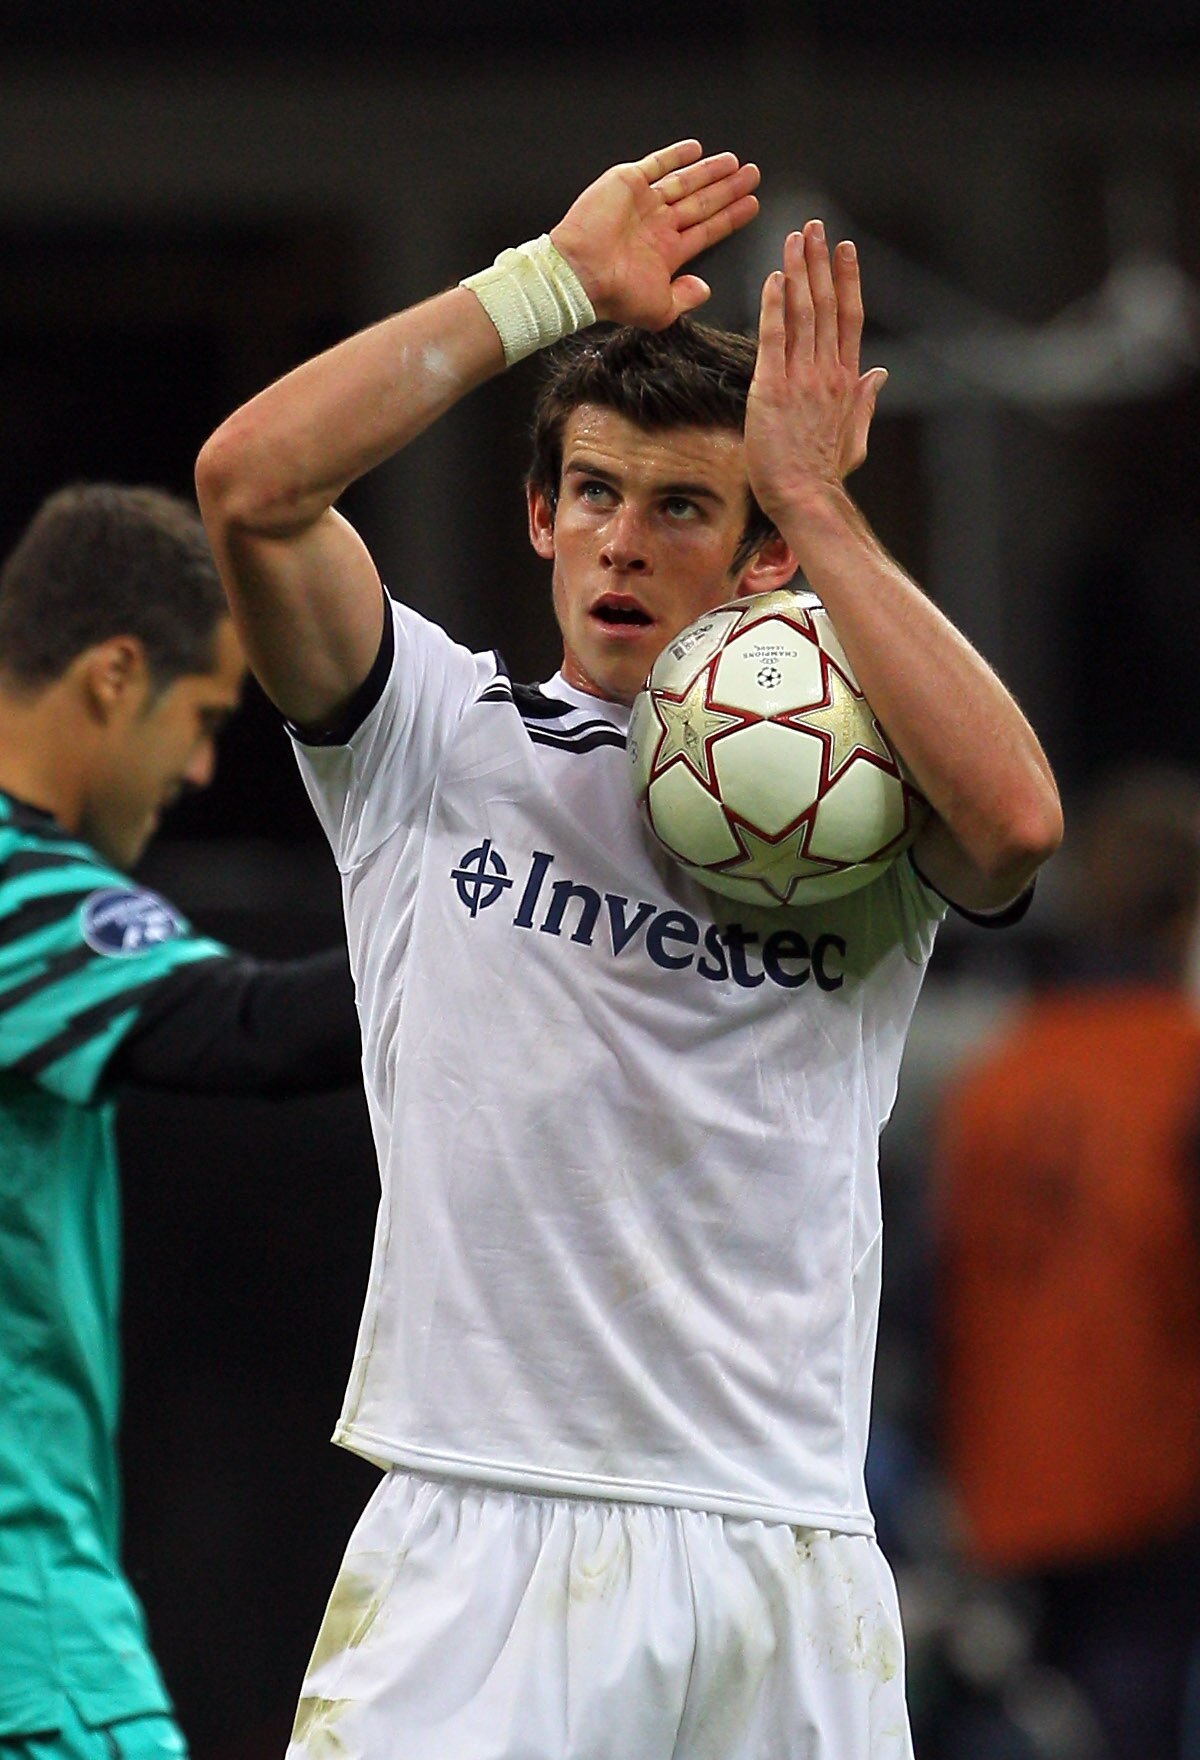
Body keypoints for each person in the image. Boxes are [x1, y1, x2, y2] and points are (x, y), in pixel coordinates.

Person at [195, 139, 1063, 1759]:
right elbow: (251, 485)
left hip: (783, 1543)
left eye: (682, 508)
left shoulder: (861, 803)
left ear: (760, 561)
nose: (621, 542)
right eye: (593, 494)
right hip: (486, 1523)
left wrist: (823, 496)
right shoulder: (433, 743)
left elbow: (1017, 822)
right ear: (538, 514)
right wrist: (546, 288)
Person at [0, 484, 362, 1760]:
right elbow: (251, 1031)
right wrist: (517, 926)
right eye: (203, 717)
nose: (201, 768)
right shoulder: (18, 886)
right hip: (25, 1620)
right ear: (112, 675)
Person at [935, 763, 1200, 1760]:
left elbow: (925, 1293)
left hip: (997, 1494)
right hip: (1147, 1499)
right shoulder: (1182, 1065)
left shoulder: (993, 1076)